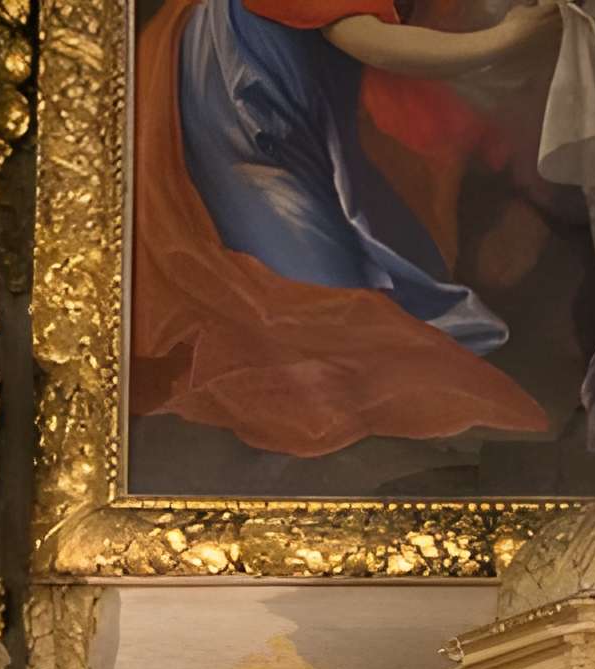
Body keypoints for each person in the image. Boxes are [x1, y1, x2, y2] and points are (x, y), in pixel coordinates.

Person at [134, 0, 564, 457]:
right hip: (246, 123)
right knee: (313, 310)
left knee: (356, 284)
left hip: (290, 118)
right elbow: (370, 40)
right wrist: (508, 38)